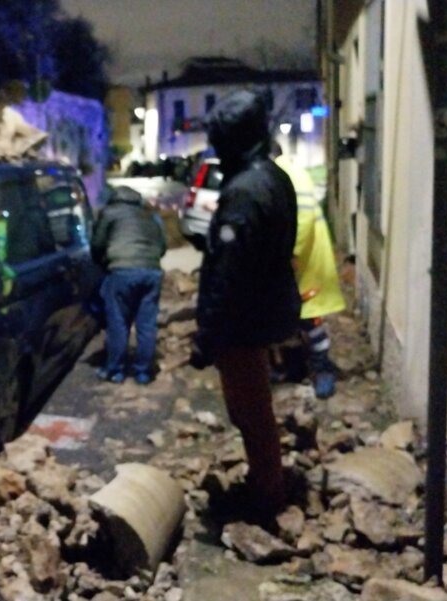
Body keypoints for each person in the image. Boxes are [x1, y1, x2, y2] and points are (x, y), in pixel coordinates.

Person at [189, 91, 301, 518]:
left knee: (249, 410)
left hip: (244, 322)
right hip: (266, 310)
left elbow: (228, 273)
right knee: (256, 408)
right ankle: (266, 483)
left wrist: (207, 336)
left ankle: (266, 496)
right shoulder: (274, 176)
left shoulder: (243, 191)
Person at [270, 142, 346, 398]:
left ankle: (323, 369)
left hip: (302, 262)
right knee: (291, 318)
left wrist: (291, 253)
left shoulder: (288, 175)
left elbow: (303, 217)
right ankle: (295, 368)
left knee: (309, 319)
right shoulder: (286, 173)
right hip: (296, 261)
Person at [91, 185, 167, 385]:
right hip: (152, 272)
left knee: (118, 322)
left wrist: (103, 264)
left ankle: (115, 371)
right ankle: (143, 373)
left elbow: (97, 244)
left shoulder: (110, 212)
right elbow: (162, 247)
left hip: (122, 271)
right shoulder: (149, 216)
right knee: (146, 324)